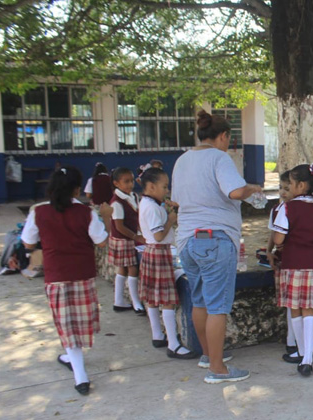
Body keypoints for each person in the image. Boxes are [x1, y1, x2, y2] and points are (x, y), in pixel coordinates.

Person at [172, 109, 262, 384]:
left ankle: (207, 355)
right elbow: (234, 192)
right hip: (215, 240)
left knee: (200, 300)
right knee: (218, 306)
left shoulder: (182, 160)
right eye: (228, 139)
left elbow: (177, 201)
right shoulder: (219, 158)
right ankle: (217, 368)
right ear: (223, 136)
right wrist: (252, 188)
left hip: (187, 240)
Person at [21, 166, 113, 395]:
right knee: (79, 321)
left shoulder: (38, 212)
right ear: (76, 189)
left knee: (66, 323)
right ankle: (78, 371)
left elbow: (28, 243)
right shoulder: (85, 212)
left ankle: (78, 371)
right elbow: (102, 241)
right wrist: (107, 218)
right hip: (82, 273)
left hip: (56, 275)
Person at [272, 163, 313, 377]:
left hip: (292, 264)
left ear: (300, 185)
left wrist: (285, 241)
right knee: (310, 310)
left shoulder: (287, 208)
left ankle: (300, 352)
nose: (289, 187)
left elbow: (278, 239)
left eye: (290, 183)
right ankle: (307, 358)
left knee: (295, 309)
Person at [137, 167, 196, 359]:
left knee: (153, 298)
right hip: (159, 252)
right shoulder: (152, 208)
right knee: (167, 300)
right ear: (151, 186)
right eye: (164, 186)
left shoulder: (148, 203)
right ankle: (173, 344)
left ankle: (157, 334)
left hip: (151, 252)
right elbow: (159, 235)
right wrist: (171, 219)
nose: (167, 190)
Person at [266, 170, 297, 356]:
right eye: (280, 188)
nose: (283, 192)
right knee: (288, 302)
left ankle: (294, 340)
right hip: (282, 260)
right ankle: (291, 339)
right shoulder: (277, 210)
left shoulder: (300, 210)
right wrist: (268, 251)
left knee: (297, 304)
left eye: (287, 188)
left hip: (297, 260)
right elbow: (273, 233)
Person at [108, 167, 145, 315]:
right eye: (126, 181)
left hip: (130, 237)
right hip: (124, 239)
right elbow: (119, 226)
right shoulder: (116, 202)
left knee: (123, 269)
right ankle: (136, 302)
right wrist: (136, 237)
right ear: (116, 183)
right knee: (132, 268)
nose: (130, 184)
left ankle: (118, 301)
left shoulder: (133, 196)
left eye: (131, 181)